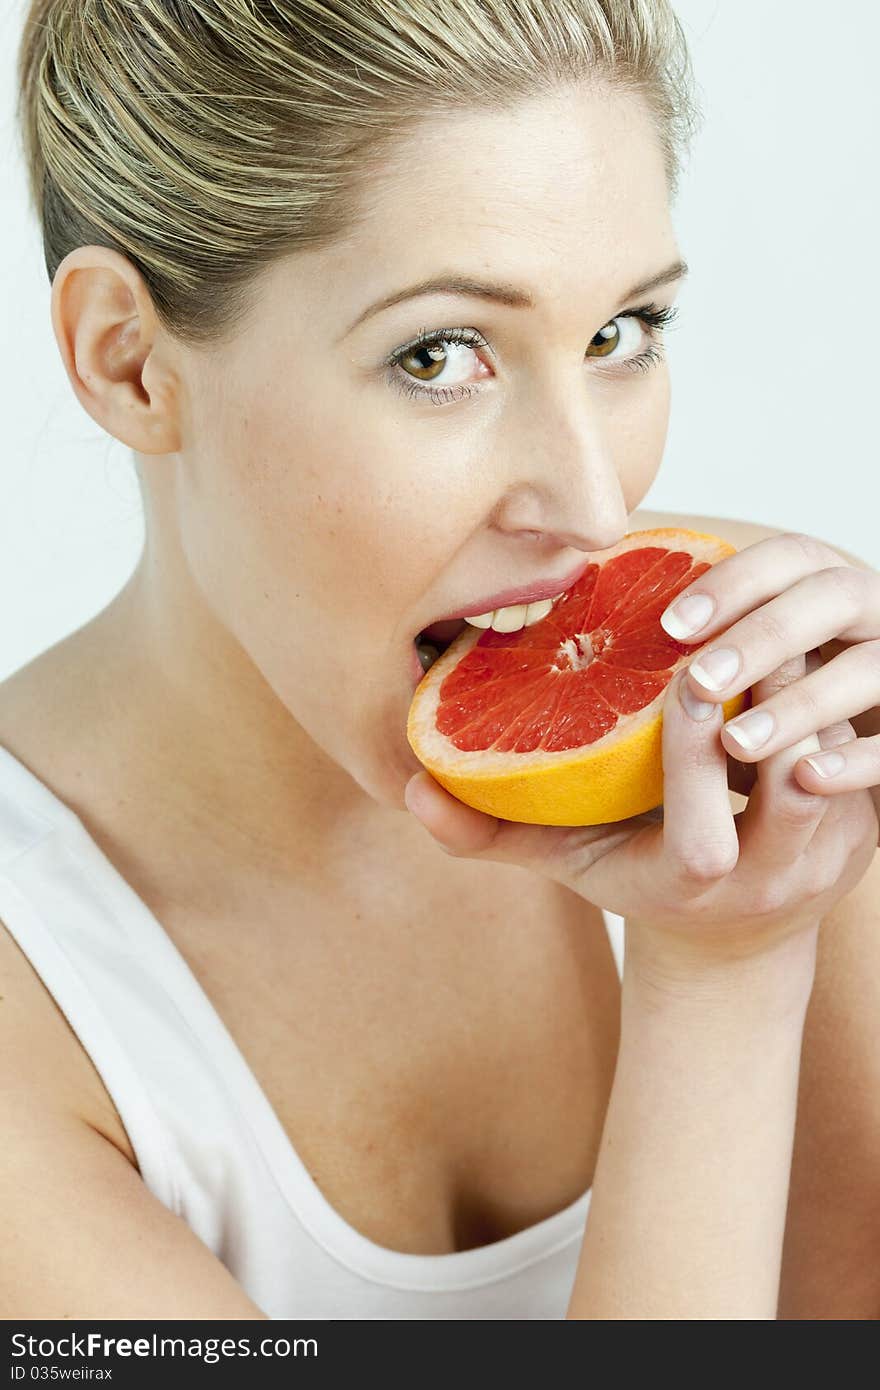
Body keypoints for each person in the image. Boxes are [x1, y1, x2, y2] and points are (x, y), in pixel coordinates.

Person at [2, 0, 878, 1321]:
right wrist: (726, 980)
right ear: (128, 362)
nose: (592, 503)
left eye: (621, 333)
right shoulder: (38, 1008)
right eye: (440, 354)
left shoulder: (762, 677)